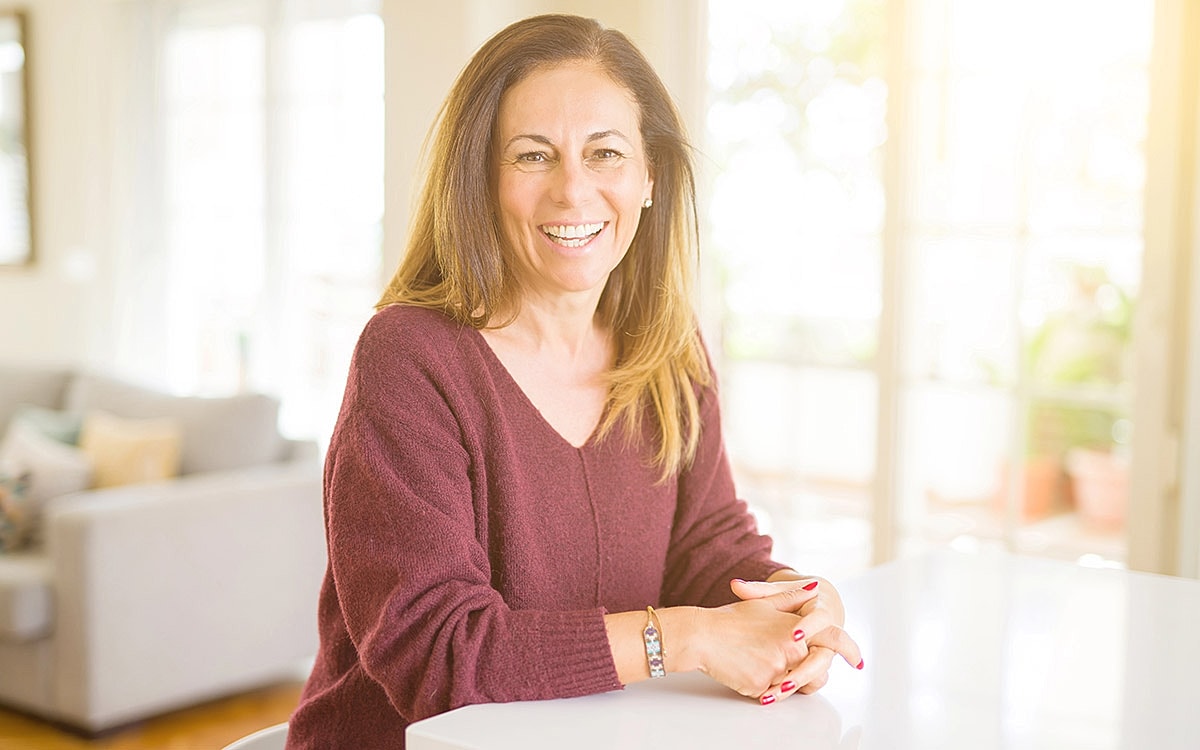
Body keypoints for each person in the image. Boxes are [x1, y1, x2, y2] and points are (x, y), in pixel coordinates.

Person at [285, 13, 862, 748]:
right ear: (481, 182)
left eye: (605, 154)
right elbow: (435, 654)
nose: (573, 191)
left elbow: (706, 548)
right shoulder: (409, 358)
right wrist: (682, 639)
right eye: (533, 156)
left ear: (649, 177)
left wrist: (796, 601)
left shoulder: (667, 347)